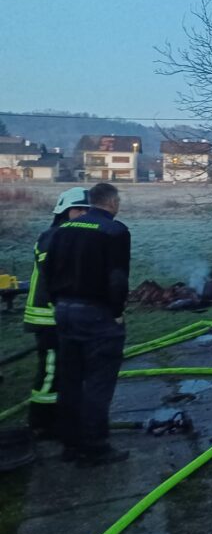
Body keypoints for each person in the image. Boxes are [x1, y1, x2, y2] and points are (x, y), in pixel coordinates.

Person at [47, 182, 131, 466]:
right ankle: (95, 447)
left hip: (64, 311)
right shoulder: (115, 231)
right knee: (98, 382)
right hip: (97, 315)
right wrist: (117, 311)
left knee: (69, 380)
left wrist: (58, 303)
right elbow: (117, 277)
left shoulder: (62, 230)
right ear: (112, 202)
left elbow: (48, 271)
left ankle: (70, 443)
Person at [23, 187, 92, 436]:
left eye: (86, 210)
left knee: (67, 368)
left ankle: (63, 416)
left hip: (66, 315)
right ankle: (41, 422)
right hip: (47, 315)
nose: (82, 214)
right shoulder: (53, 236)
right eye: (78, 209)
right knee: (52, 369)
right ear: (64, 211)